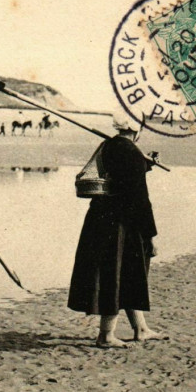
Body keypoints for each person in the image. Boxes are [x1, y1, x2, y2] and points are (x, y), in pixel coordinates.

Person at [67, 111, 166, 347]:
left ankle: (140, 328)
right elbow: (140, 198)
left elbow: (120, 177)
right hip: (122, 223)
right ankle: (106, 335)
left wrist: (144, 165)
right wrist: (151, 235)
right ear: (136, 128)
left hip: (101, 218)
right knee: (118, 274)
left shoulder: (110, 145)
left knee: (130, 273)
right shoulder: (130, 151)